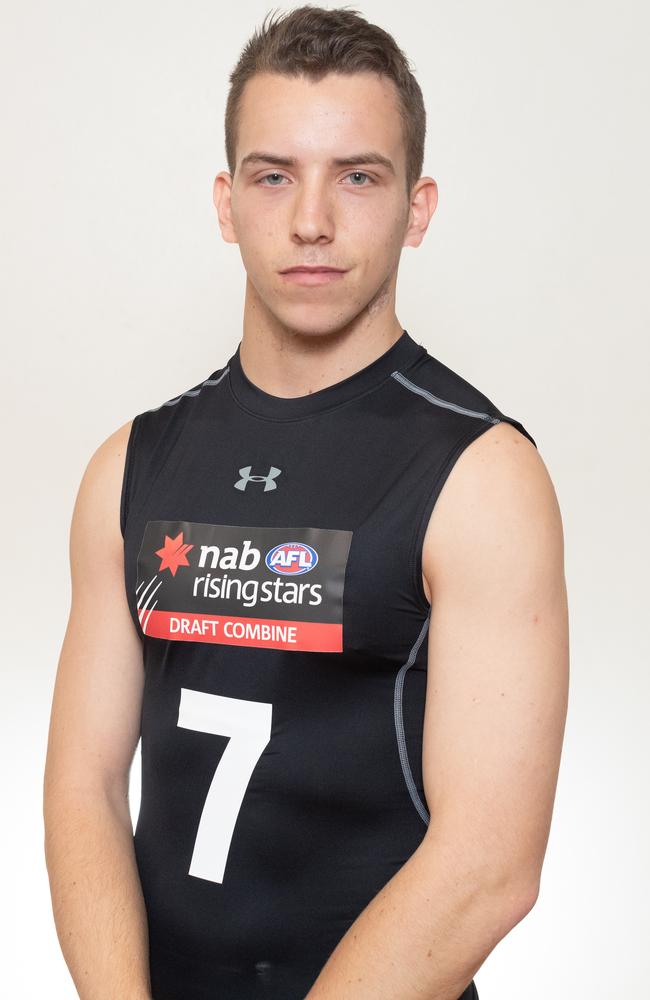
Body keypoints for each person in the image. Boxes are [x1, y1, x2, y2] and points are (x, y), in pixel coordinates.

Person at [43, 6, 569, 999]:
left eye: (357, 176)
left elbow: (490, 867)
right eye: (273, 174)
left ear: (416, 208)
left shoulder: (481, 473)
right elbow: (83, 787)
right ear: (224, 200)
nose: (310, 219)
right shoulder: (130, 463)